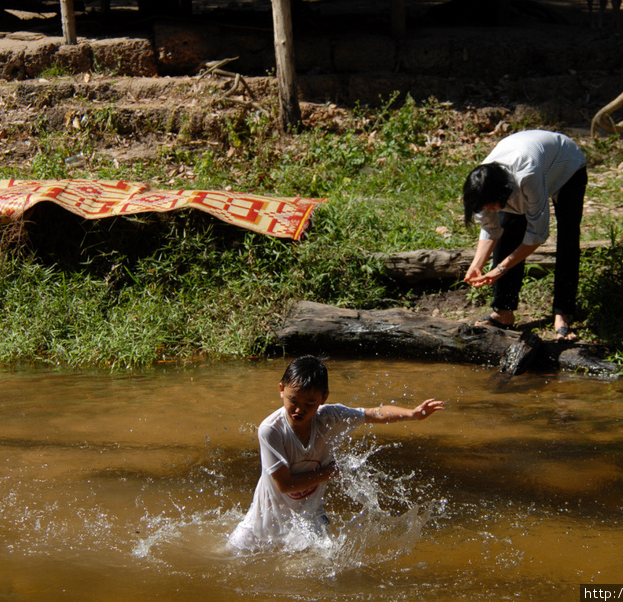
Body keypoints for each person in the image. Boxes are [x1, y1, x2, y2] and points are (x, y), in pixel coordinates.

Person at [226, 355, 444, 553]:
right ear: (281, 390)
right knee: (223, 558)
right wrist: (330, 472)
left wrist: (413, 414)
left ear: (323, 398)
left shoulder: (330, 417)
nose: (299, 409)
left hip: (308, 520)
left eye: (309, 403)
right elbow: (285, 485)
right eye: (293, 400)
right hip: (262, 521)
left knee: (320, 569)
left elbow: (373, 414)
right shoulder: (271, 430)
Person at [462, 129, 588, 341]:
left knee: (567, 237)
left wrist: (500, 269)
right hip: (529, 168)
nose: (488, 209)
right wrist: (477, 265)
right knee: (507, 230)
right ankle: (503, 311)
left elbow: (537, 235)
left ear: (503, 193)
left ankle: (562, 314)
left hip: (567, 165)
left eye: (491, 204)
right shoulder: (481, 186)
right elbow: (491, 229)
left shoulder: (527, 176)